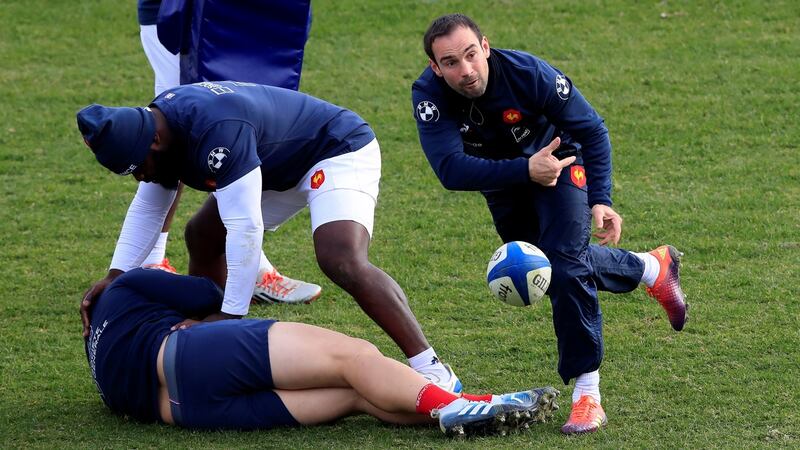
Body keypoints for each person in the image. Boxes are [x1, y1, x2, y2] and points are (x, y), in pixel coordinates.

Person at [77, 80, 462, 391]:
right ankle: (206, 349)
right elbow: (149, 205)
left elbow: (245, 229)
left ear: (154, 141)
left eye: (139, 167)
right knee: (202, 235)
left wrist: (229, 315)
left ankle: (432, 367)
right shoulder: (156, 126)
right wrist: (115, 275)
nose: (141, 176)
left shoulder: (215, 132)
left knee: (340, 258)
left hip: (335, 149)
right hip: (274, 163)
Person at [411, 14, 688, 434]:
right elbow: (450, 170)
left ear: (485, 46)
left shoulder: (530, 75)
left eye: (471, 55)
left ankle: (587, 396)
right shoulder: (429, 96)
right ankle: (651, 267)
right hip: (507, 182)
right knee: (548, 264)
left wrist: (601, 199)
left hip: (561, 167)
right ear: (435, 67)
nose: (465, 71)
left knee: (563, 266)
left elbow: (592, 130)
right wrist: (525, 171)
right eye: (450, 62)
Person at [84, 268, 560, 436]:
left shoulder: (97, 355)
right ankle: (457, 404)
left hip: (184, 412)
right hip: (187, 353)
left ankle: (482, 408)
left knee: (357, 396)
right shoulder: (125, 287)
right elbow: (208, 292)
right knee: (355, 357)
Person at [134, 0, 321, 304]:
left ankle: (250, 265)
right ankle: (150, 260)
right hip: (187, 12)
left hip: (257, 13)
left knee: (245, 123)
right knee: (172, 129)